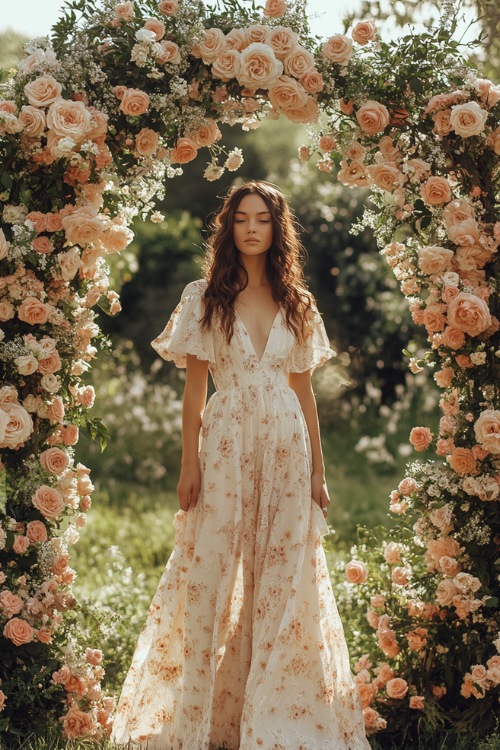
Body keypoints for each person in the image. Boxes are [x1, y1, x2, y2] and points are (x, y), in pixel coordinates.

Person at [110, 181, 370, 750]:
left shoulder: (296, 301)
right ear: (228, 228)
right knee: (214, 567)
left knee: (282, 573)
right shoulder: (204, 297)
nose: (252, 228)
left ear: (278, 230)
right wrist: (188, 466)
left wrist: (318, 473)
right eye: (241, 219)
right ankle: (209, 710)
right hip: (225, 444)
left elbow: (305, 394)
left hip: (286, 444)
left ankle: (276, 710)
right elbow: (194, 395)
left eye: (264, 220)